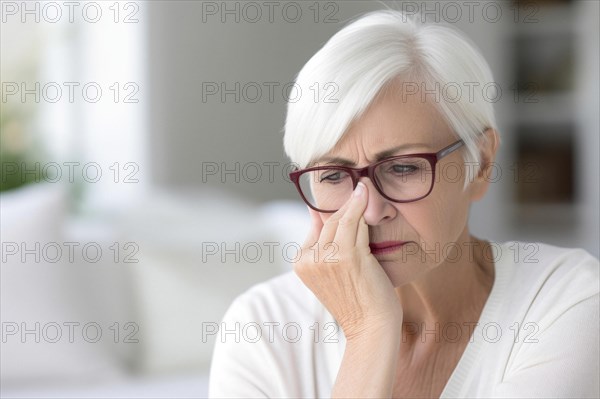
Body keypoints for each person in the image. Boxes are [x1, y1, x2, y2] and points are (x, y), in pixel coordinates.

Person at [209, 10, 599, 398]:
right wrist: (371, 332)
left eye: (404, 168)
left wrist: (367, 329)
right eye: (333, 175)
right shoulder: (261, 329)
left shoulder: (567, 304)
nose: (372, 211)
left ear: (480, 164)